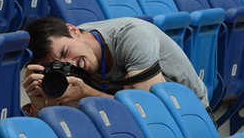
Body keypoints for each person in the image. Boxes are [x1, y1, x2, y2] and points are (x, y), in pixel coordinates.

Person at [22, 16, 209, 117]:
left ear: (73, 30)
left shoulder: (132, 36)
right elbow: (69, 124)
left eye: (64, 52)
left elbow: (147, 112)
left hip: (189, 116)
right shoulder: (73, 64)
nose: (70, 64)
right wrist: (42, 104)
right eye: (59, 63)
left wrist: (86, 92)